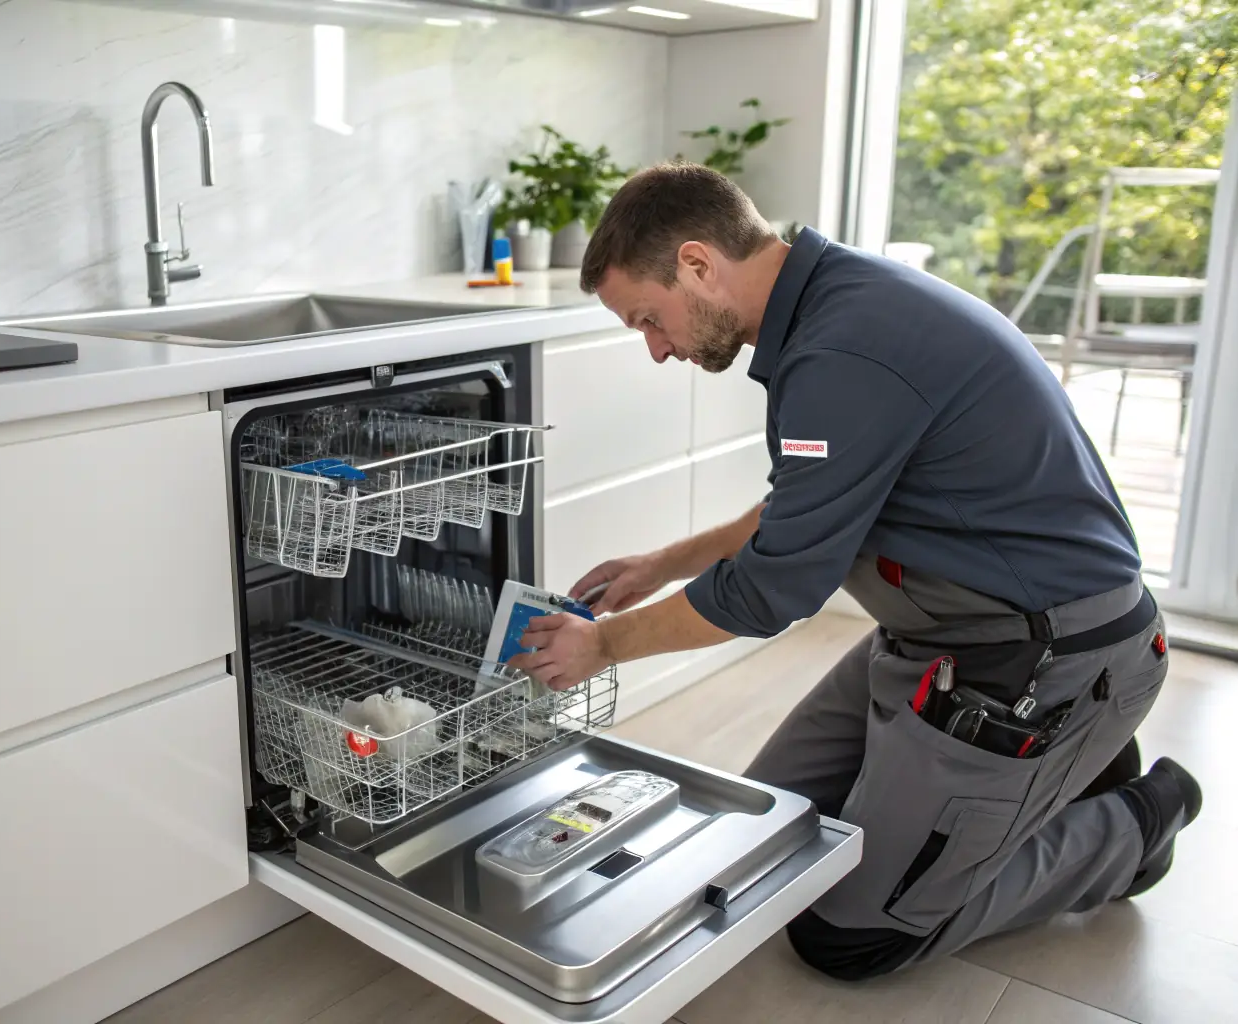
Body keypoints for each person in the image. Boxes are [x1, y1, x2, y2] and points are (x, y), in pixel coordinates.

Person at [506, 163, 1203, 980]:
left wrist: (603, 646)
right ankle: (1053, 772)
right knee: (766, 836)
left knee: (850, 933)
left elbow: (775, 588)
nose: (656, 349)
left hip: (1042, 657)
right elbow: (806, 504)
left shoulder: (844, 347)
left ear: (697, 264)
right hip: (935, 635)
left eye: (648, 321)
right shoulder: (830, 306)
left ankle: (1130, 826)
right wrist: (664, 563)